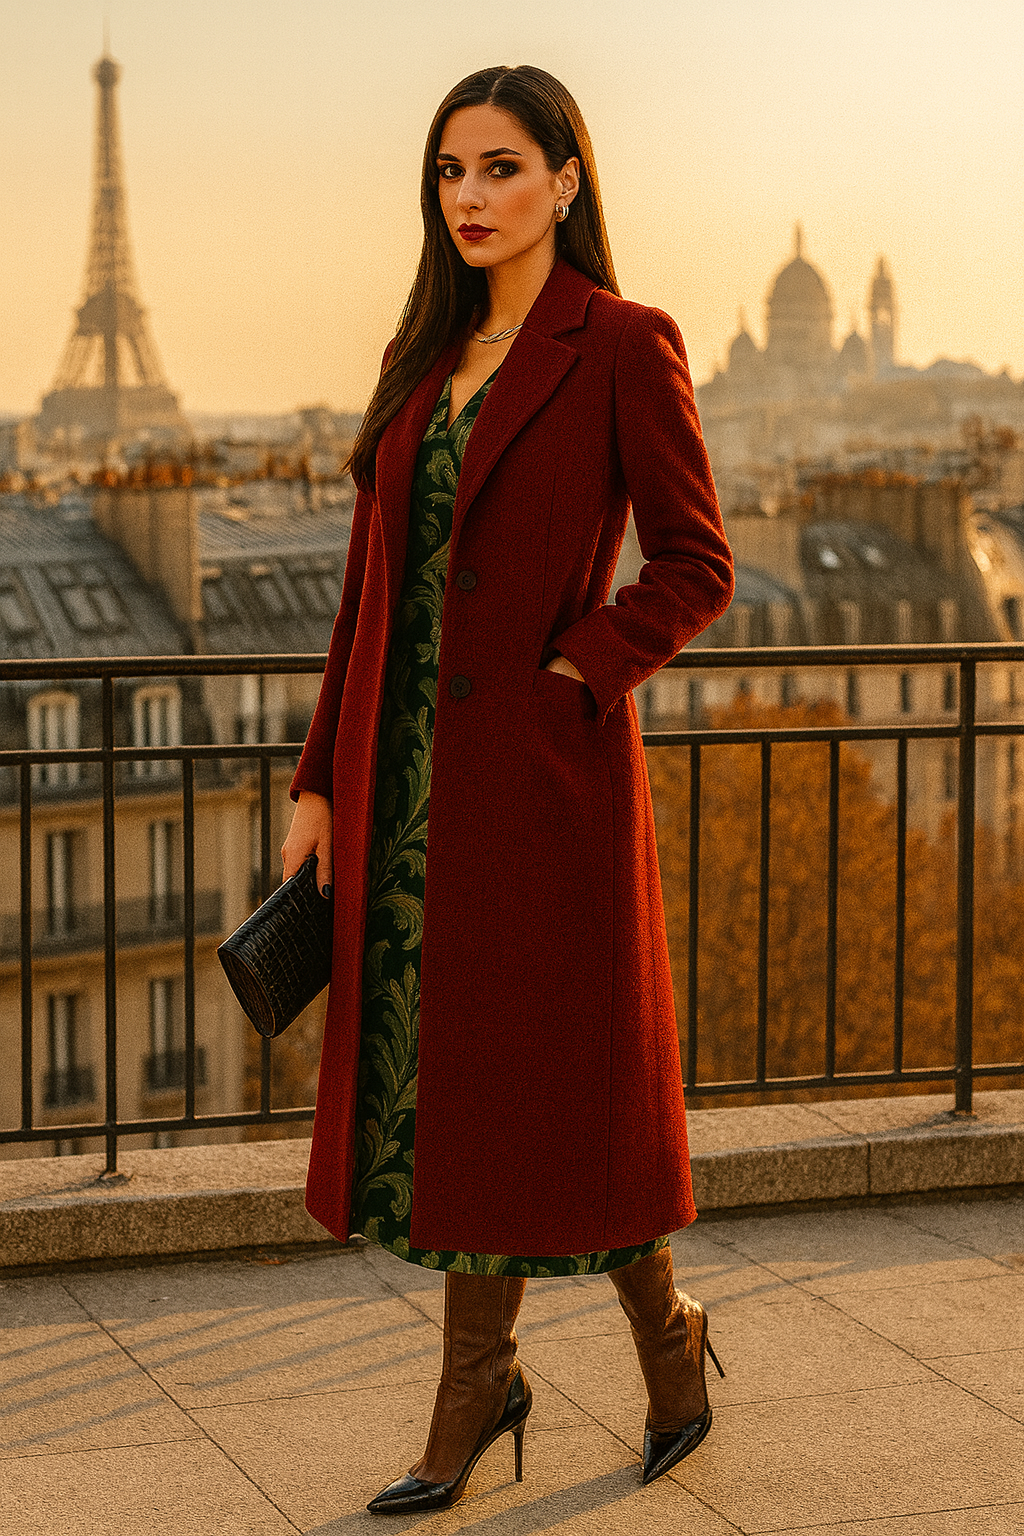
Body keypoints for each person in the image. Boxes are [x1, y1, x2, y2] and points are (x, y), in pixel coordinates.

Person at [282, 63, 733, 1513]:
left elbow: (694, 564)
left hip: (539, 791)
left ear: (565, 180)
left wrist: (571, 679)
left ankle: (660, 1340)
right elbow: (369, 596)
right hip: (402, 784)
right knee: (450, 1095)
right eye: (448, 173)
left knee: (562, 1091)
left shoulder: (622, 343)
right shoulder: (423, 362)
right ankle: (496, 1382)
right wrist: (316, 785)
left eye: (498, 168)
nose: (468, 197)